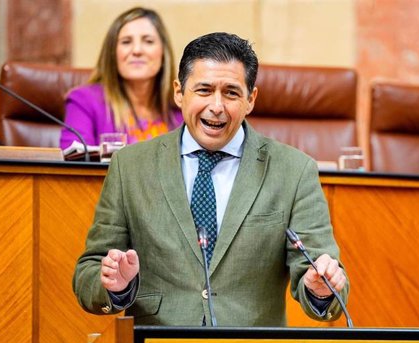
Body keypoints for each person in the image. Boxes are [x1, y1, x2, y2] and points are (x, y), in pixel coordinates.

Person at [73, 32, 349, 327]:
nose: (216, 106)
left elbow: (326, 277)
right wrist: (115, 286)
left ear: (250, 99)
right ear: (179, 92)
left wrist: (321, 289)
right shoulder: (131, 167)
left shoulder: (293, 171)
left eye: (231, 93)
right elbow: (88, 272)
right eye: (204, 90)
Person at [59, 7, 183, 150]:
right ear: (113, 54)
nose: (137, 50)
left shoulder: (181, 108)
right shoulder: (83, 101)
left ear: (163, 54)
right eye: (126, 42)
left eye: (148, 41)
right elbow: (73, 166)